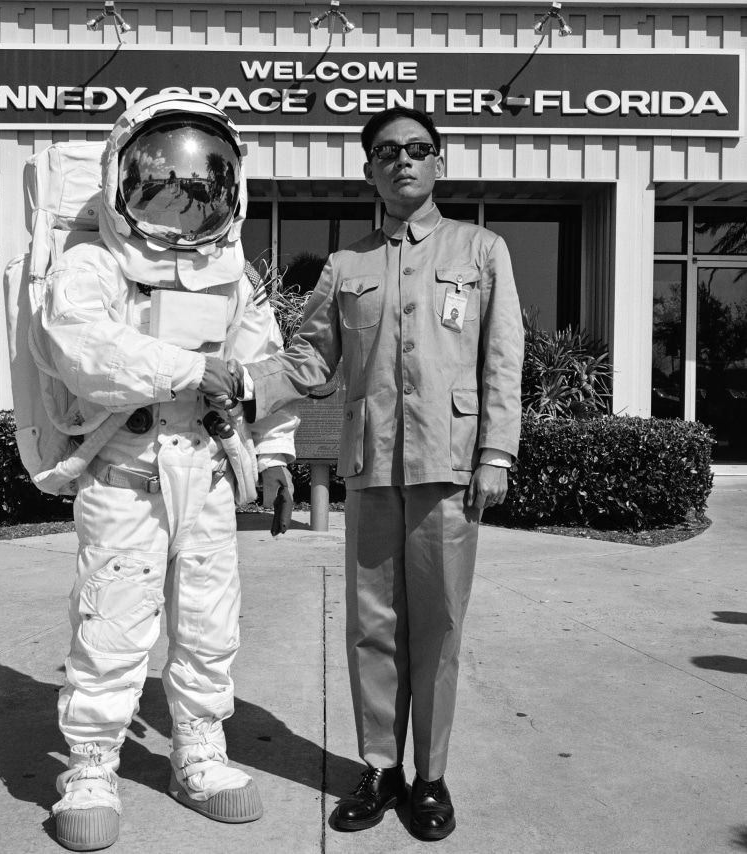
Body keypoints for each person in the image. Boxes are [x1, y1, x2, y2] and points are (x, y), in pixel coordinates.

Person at [207, 106, 523, 841]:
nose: (403, 161)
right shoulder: (346, 268)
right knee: (372, 628)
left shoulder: (482, 251)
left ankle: (432, 777)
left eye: (418, 149)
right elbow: (312, 361)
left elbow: (502, 360)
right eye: (387, 152)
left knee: (439, 627)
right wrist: (245, 382)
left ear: (439, 161)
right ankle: (381, 768)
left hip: (450, 469)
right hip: (374, 467)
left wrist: (497, 454)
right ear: (368, 170)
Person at [39, 94, 296, 851]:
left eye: (204, 181)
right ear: (126, 175)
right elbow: (81, 350)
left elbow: (264, 363)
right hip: (128, 471)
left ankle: (200, 753)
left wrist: (276, 453)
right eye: (163, 180)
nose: (185, 197)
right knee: (114, 624)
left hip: (210, 472)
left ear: (229, 187)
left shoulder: (230, 272)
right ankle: (89, 767)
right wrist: (192, 370)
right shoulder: (92, 262)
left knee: (209, 628)